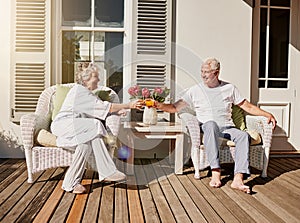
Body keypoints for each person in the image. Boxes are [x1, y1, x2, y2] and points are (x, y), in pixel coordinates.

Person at [154, 58, 276, 194]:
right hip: (207, 127)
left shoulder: (229, 88)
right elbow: (175, 107)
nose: (203, 74)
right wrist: (159, 105)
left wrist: (266, 114)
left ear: (216, 73)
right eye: (202, 71)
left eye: (206, 72)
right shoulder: (195, 90)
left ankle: (238, 178)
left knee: (242, 135)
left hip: (227, 128)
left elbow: (246, 106)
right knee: (211, 125)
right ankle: (216, 171)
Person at [51, 63, 143, 194]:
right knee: (95, 125)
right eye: (96, 77)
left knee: (85, 145)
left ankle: (70, 183)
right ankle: (107, 171)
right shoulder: (79, 91)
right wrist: (129, 105)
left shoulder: (87, 93)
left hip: (76, 128)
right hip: (64, 125)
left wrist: (117, 112)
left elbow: (98, 108)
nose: (99, 80)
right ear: (85, 79)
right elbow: (105, 107)